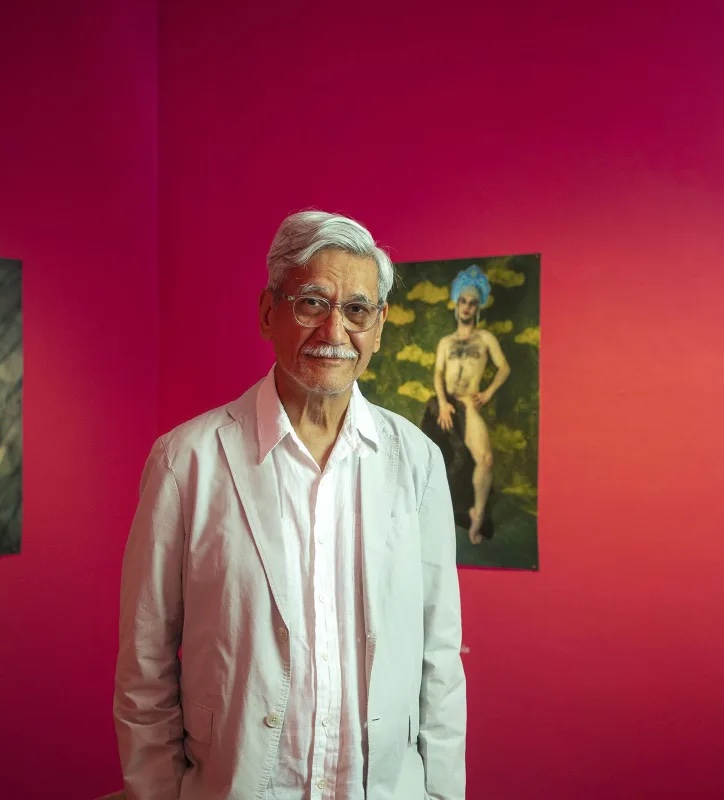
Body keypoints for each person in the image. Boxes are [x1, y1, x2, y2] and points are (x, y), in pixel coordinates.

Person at [113, 210, 467, 800]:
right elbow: (145, 668)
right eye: (311, 303)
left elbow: (440, 657)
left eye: (357, 310)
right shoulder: (186, 461)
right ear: (266, 312)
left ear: (377, 329)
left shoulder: (419, 462)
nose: (334, 331)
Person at [420, 265, 510, 545]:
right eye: (463, 301)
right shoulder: (445, 342)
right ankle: (428, 518)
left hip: (469, 405)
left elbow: (504, 367)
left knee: (485, 459)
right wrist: (444, 404)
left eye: (472, 302)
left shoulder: (485, 339)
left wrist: (488, 392)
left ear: (477, 306)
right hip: (444, 405)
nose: (467, 307)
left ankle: (477, 515)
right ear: (457, 304)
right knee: (431, 463)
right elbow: (437, 374)